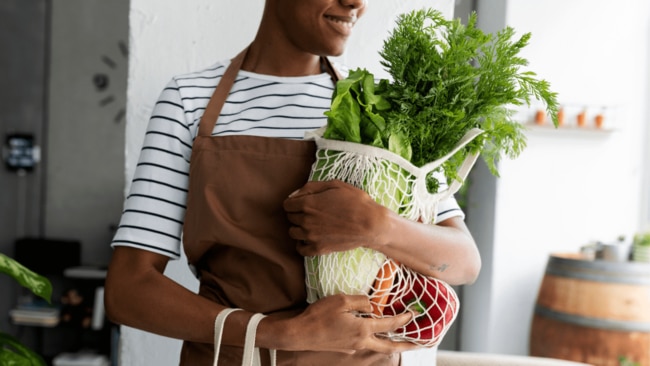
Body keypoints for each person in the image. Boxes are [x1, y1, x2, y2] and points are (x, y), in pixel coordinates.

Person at [104, 0, 481, 365]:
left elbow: (464, 261)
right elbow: (128, 290)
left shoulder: (378, 108)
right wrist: (283, 333)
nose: (355, 2)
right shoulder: (190, 101)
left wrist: (378, 227)